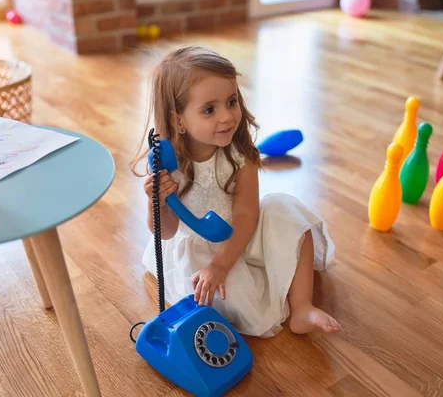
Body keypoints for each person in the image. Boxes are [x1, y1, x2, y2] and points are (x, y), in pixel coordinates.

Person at [130, 46, 341, 337]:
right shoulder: (168, 164)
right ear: (178, 120)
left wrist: (223, 263)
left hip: (242, 230)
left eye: (231, 102)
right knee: (233, 299)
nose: (227, 117)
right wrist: (159, 203)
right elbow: (164, 233)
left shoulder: (240, 155)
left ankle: (302, 308)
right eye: (209, 109)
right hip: (200, 247)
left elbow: (246, 214)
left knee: (287, 213)